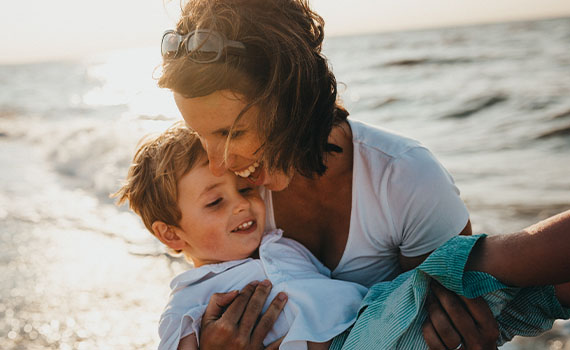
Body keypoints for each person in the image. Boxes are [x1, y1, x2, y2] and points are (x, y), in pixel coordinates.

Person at [157, 0, 490, 349]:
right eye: (199, 133)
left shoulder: (405, 180)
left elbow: (459, 324)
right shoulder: (233, 200)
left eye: (231, 134)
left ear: (293, 102)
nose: (217, 165)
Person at [115, 123, 570, 350]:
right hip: (356, 342)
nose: (242, 204)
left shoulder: (279, 243)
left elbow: (349, 289)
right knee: (484, 265)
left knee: (532, 297)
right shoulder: (189, 302)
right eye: (215, 203)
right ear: (171, 234)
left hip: (380, 318)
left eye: (245, 189)